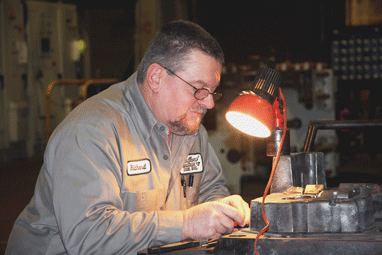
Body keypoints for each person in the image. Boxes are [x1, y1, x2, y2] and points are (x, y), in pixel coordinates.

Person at [6, 20, 250, 255]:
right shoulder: (92, 130)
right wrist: (185, 223)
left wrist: (224, 210)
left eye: (212, 92)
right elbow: (88, 237)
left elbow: (210, 189)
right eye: (199, 89)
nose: (208, 103)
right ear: (156, 78)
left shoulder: (189, 129)